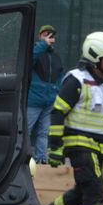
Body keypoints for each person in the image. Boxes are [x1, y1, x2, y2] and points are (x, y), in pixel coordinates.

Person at [33, 32, 103, 205]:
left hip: (99, 148)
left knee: (81, 193)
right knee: (95, 193)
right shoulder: (75, 80)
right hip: (80, 146)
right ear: (95, 57)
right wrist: (55, 147)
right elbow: (58, 113)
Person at [28, 25, 64, 164]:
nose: (49, 38)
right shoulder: (36, 51)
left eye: (51, 36)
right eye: (46, 35)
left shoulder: (55, 57)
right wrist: (43, 44)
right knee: (27, 130)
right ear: (40, 36)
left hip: (50, 102)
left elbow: (60, 75)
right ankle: (20, 158)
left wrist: (57, 91)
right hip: (34, 100)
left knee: (44, 133)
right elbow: (29, 60)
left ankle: (41, 159)